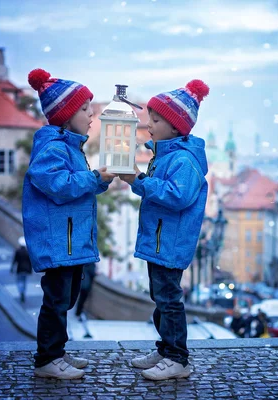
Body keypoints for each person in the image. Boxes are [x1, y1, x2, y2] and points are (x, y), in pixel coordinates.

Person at [22, 68, 115, 380]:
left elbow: (78, 186)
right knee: (56, 300)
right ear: (66, 114)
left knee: (65, 298)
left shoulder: (70, 146)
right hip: (58, 239)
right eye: (86, 109)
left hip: (71, 239)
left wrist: (99, 180)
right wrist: (93, 178)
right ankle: (47, 359)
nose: (92, 115)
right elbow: (58, 185)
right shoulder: (53, 147)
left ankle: (57, 353)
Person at [119, 79, 210, 381]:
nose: (148, 125)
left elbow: (177, 196)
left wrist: (140, 182)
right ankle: (165, 348)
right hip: (160, 240)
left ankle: (178, 358)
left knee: (169, 300)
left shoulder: (183, 159)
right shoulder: (168, 155)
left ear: (176, 126)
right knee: (161, 298)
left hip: (169, 243)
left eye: (155, 120)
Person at [10, 236, 32, 303]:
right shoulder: (28, 252)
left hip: (20, 269)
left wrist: (12, 268)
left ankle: (21, 291)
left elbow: (15, 260)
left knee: (19, 281)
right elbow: (30, 262)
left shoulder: (18, 251)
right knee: (24, 281)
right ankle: (23, 292)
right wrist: (30, 270)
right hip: (26, 270)